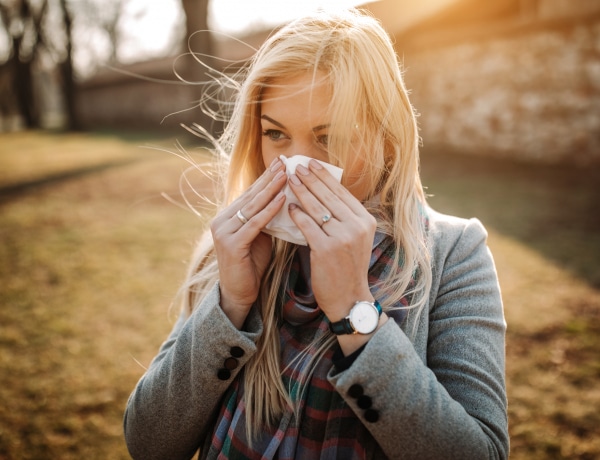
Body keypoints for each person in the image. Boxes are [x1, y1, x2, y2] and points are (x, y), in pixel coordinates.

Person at [124, 8, 508, 460]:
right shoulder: (235, 249)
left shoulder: (453, 255)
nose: (297, 169)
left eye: (329, 137)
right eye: (276, 135)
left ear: (387, 136)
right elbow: (148, 441)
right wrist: (229, 305)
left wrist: (353, 309)